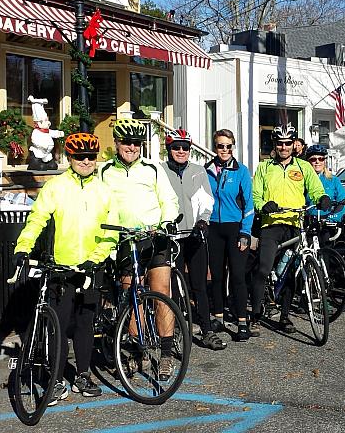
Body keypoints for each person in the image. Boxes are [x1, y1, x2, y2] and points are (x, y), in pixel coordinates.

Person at [13, 133, 118, 406]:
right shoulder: (56, 187)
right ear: (70, 158)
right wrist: (23, 246)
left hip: (91, 267)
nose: (86, 161)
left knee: (85, 323)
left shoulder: (104, 190)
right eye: (80, 157)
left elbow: (111, 232)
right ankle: (56, 379)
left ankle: (82, 374)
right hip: (61, 267)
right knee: (58, 325)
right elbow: (36, 219)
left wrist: (96, 258)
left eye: (91, 157)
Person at [100, 118, 180, 380]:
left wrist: (167, 222)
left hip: (154, 237)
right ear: (117, 144)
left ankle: (166, 353)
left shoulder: (152, 168)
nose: (132, 147)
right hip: (125, 241)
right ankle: (139, 352)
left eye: (137, 143)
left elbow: (169, 200)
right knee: (132, 297)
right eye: (127, 142)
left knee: (160, 293)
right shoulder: (104, 172)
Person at [251, 123, 329, 334]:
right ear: (274, 144)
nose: (284, 147)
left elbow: (315, 188)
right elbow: (255, 196)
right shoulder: (264, 168)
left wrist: (322, 198)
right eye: (280, 143)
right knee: (264, 269)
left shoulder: (303, 167)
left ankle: (284, 317)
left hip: (295, 223)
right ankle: (256, 315)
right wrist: (262, 206)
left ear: (293, 144)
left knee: (293, 272)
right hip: (271, 225)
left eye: (287, 143)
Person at [161, 129, 225, 350]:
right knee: (175, 287)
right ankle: (178, 329)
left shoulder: (198, 171)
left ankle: (207, 330)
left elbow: (206, 200)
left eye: (185, 148)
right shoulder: (159, 171)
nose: (181, 151)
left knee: (199, 285)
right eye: (176, 147)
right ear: (169, 149)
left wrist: (203, 221)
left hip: (194, 235)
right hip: (172, 237)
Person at [204, 129, 255, 341]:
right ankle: (218, 316)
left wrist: (245, 232)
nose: (224, 150)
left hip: (236, 228)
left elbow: (249, 204)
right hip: (213, 228)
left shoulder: (241, 170)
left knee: (237, 276)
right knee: (216, 276)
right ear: (214, 147)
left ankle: (242, 321)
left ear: (233, 147)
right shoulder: (206, 169)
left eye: (228, 146)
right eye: (220, 146)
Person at [305, 144, 345, 223]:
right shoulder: (303, 180)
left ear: (325, 161)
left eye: (321, 159)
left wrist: (333, 218)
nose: (317, 162)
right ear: (308, 161)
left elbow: (342, 200)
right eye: (313, 159)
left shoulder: (333, 180)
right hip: (308, 221)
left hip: (327, 221)